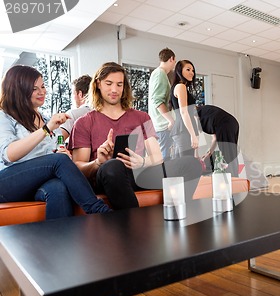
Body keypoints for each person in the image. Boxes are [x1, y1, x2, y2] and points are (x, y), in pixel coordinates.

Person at [69, 62, 201, 210]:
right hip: (108, 175)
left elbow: (157, 156)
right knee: (112, 166)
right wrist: (98, 162)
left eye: (119, 84)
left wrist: (142, 162)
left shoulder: (141, 117)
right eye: (109, 83)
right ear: (98, 84)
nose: (114, 89)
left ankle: (177, 213)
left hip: (139, 173)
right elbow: (77, 168)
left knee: (191, 164)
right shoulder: (84, 122)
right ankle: (135, 225)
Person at [0, 65, 111, 219]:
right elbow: (8, 154)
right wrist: (46, 130)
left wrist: (62, 152)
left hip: (38, 183)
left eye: (43, 86)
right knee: (59, 160)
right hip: (7, 183)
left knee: (58, 188)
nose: (42, 92)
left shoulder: (47, 120)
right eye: (34, 88)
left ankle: (57, 241)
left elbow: (57, 148)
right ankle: (100, 212)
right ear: (18, 90)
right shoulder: (5, 116)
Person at [148, 47, 176, 160]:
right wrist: (171, 120)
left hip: (160, 125)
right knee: (165, 161)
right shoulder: (160, 74)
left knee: (165, 159)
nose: (174, 64)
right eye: (174, 61)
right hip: (162, 125)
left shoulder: (159, 74)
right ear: (171, 59)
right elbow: (158, 101)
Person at [169, 60, 200, 158]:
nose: (192, 72)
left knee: (181, 166)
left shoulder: (181, 87)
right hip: (184, 130)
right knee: (185, 166)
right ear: (179, 71)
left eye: (193, 70)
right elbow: (183, 112)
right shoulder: (180, 86)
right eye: (188, 69)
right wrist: (193, 135)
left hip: (183, 130)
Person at [197, 105, 240, 177]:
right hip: (232, 123)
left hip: (226, 125)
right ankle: (234, 179)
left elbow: (195, 136)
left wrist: (196, 155)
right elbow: (215, 138)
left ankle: (233, 180)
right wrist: (209, 153)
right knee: (231, 154)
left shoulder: (196, 114)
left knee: (229, 155)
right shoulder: (206, 113)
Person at [60, 74, 92, 141]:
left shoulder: (72, 114)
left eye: (73, 93)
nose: (72, 98)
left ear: (80, 94)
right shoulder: (103, 112)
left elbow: (56, 141)